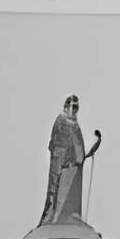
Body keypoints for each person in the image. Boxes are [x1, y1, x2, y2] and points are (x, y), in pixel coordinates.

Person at [38, 93, 102, 227]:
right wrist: (66, 158)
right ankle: (54, 217)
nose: (75, 110)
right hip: (62, 166)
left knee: (71, 197)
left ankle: (70, 216)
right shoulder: (61, 121)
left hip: (74, 168)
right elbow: (57, 145)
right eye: (73, 107)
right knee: (56, 193)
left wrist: (94, 144)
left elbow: (80, 147)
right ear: (66, 107)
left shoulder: (75, 125)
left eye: (77, 108)